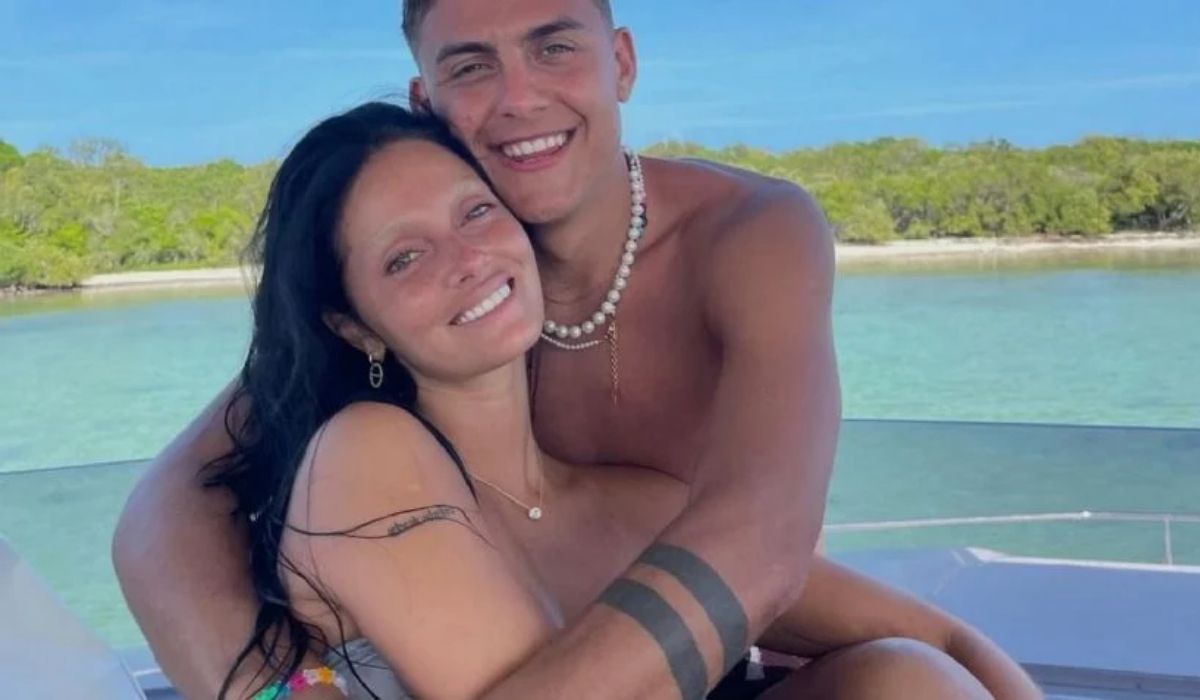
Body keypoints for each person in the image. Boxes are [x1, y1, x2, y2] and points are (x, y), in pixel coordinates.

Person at [113, 2, 1041, 699]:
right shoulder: (369, 446)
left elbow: (777, 545)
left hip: (721, 636)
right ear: (429, 101)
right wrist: (270, 691)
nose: (519, 99)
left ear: (621, 61)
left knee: (905, 677)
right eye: (472, 66)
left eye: (554, 45)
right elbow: (162, 520)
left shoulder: (739, 247)